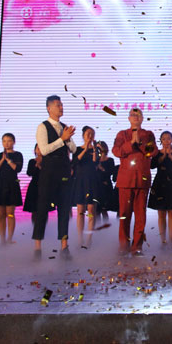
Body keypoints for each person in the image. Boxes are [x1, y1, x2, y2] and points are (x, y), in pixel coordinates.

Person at [33, 95, 77, 261]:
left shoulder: (64, 127)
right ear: (49, 108)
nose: (61, 107)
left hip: (64, 171)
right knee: (42, 208)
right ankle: (37, 247)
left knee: (64, 208)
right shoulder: (42, 127)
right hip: (49, 172)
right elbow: (44, 150)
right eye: (58, 105)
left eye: (62, 105)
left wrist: (68, 139)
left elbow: (73, 149)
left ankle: (64, 246)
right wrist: (61, 139)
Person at [112, 108, 158, 256]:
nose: (136, 117)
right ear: (129, 118)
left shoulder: (148, 134)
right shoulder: (122, 134)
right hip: (126, 180)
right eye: (133, 115)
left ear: (142, 118)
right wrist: (131, 142)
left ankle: (137, 247)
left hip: (142, 180)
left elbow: (153, 152)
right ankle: (123, 246)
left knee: (140, 216)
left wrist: (140, 143)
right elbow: (116, 151)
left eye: (138, 115)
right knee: (124, 214)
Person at [148, 131, 172, 246]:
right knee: (161, 213)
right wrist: (163, 155)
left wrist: (170, 155)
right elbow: (152, 165)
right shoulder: (157, 153)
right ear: (161, 140)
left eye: (168, 138)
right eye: (164, 139)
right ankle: (163, 240)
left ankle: (171, 240)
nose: (166, 141)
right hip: (160, 183)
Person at [0, 133, 24, 245]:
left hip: (12, 184)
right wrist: (2, 159)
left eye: (9, 141)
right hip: (0, 185)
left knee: (10, 213)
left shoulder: (18, 155)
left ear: (14, 142)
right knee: (1, 215)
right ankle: (2, 240)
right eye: (4, 141)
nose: (6, 143)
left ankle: (9, 239)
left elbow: (17, 169)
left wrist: (8, 160)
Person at [72, 126, 100, 247]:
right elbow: (75, 161)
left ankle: (89, 238)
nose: (90, 136)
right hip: (80, 182)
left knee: (91, 210)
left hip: (92, 181)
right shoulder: (77, 149)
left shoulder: (96, 150)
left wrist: (93, 149)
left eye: (92, 134)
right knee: (80, 211)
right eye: (88, 133)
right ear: (83, 135)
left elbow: (95, 162)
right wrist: (85, 148)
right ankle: (80, 238)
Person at [23, 144, 46, 225]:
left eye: (41, 148)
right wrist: (36, 164)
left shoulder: (48, 161)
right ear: (35, 150)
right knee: (34, 210)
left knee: (44, 210)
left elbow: (48, 174)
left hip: (45, 186)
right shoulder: (32, 161)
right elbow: (29, 173)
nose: (39, 150)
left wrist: (39, 165)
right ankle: (34, 228)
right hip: (34, 186)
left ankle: (43, 228)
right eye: (38, 148)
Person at [96, 141, 115, 224]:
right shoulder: (95, 160)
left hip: (105, 187)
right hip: (96, 187)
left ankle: (106, 227)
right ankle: (97, 227)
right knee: (96, 210)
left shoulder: (110, 160)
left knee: (104, 210)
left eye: (100, 147)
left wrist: (102, 168)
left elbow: (111, 172)